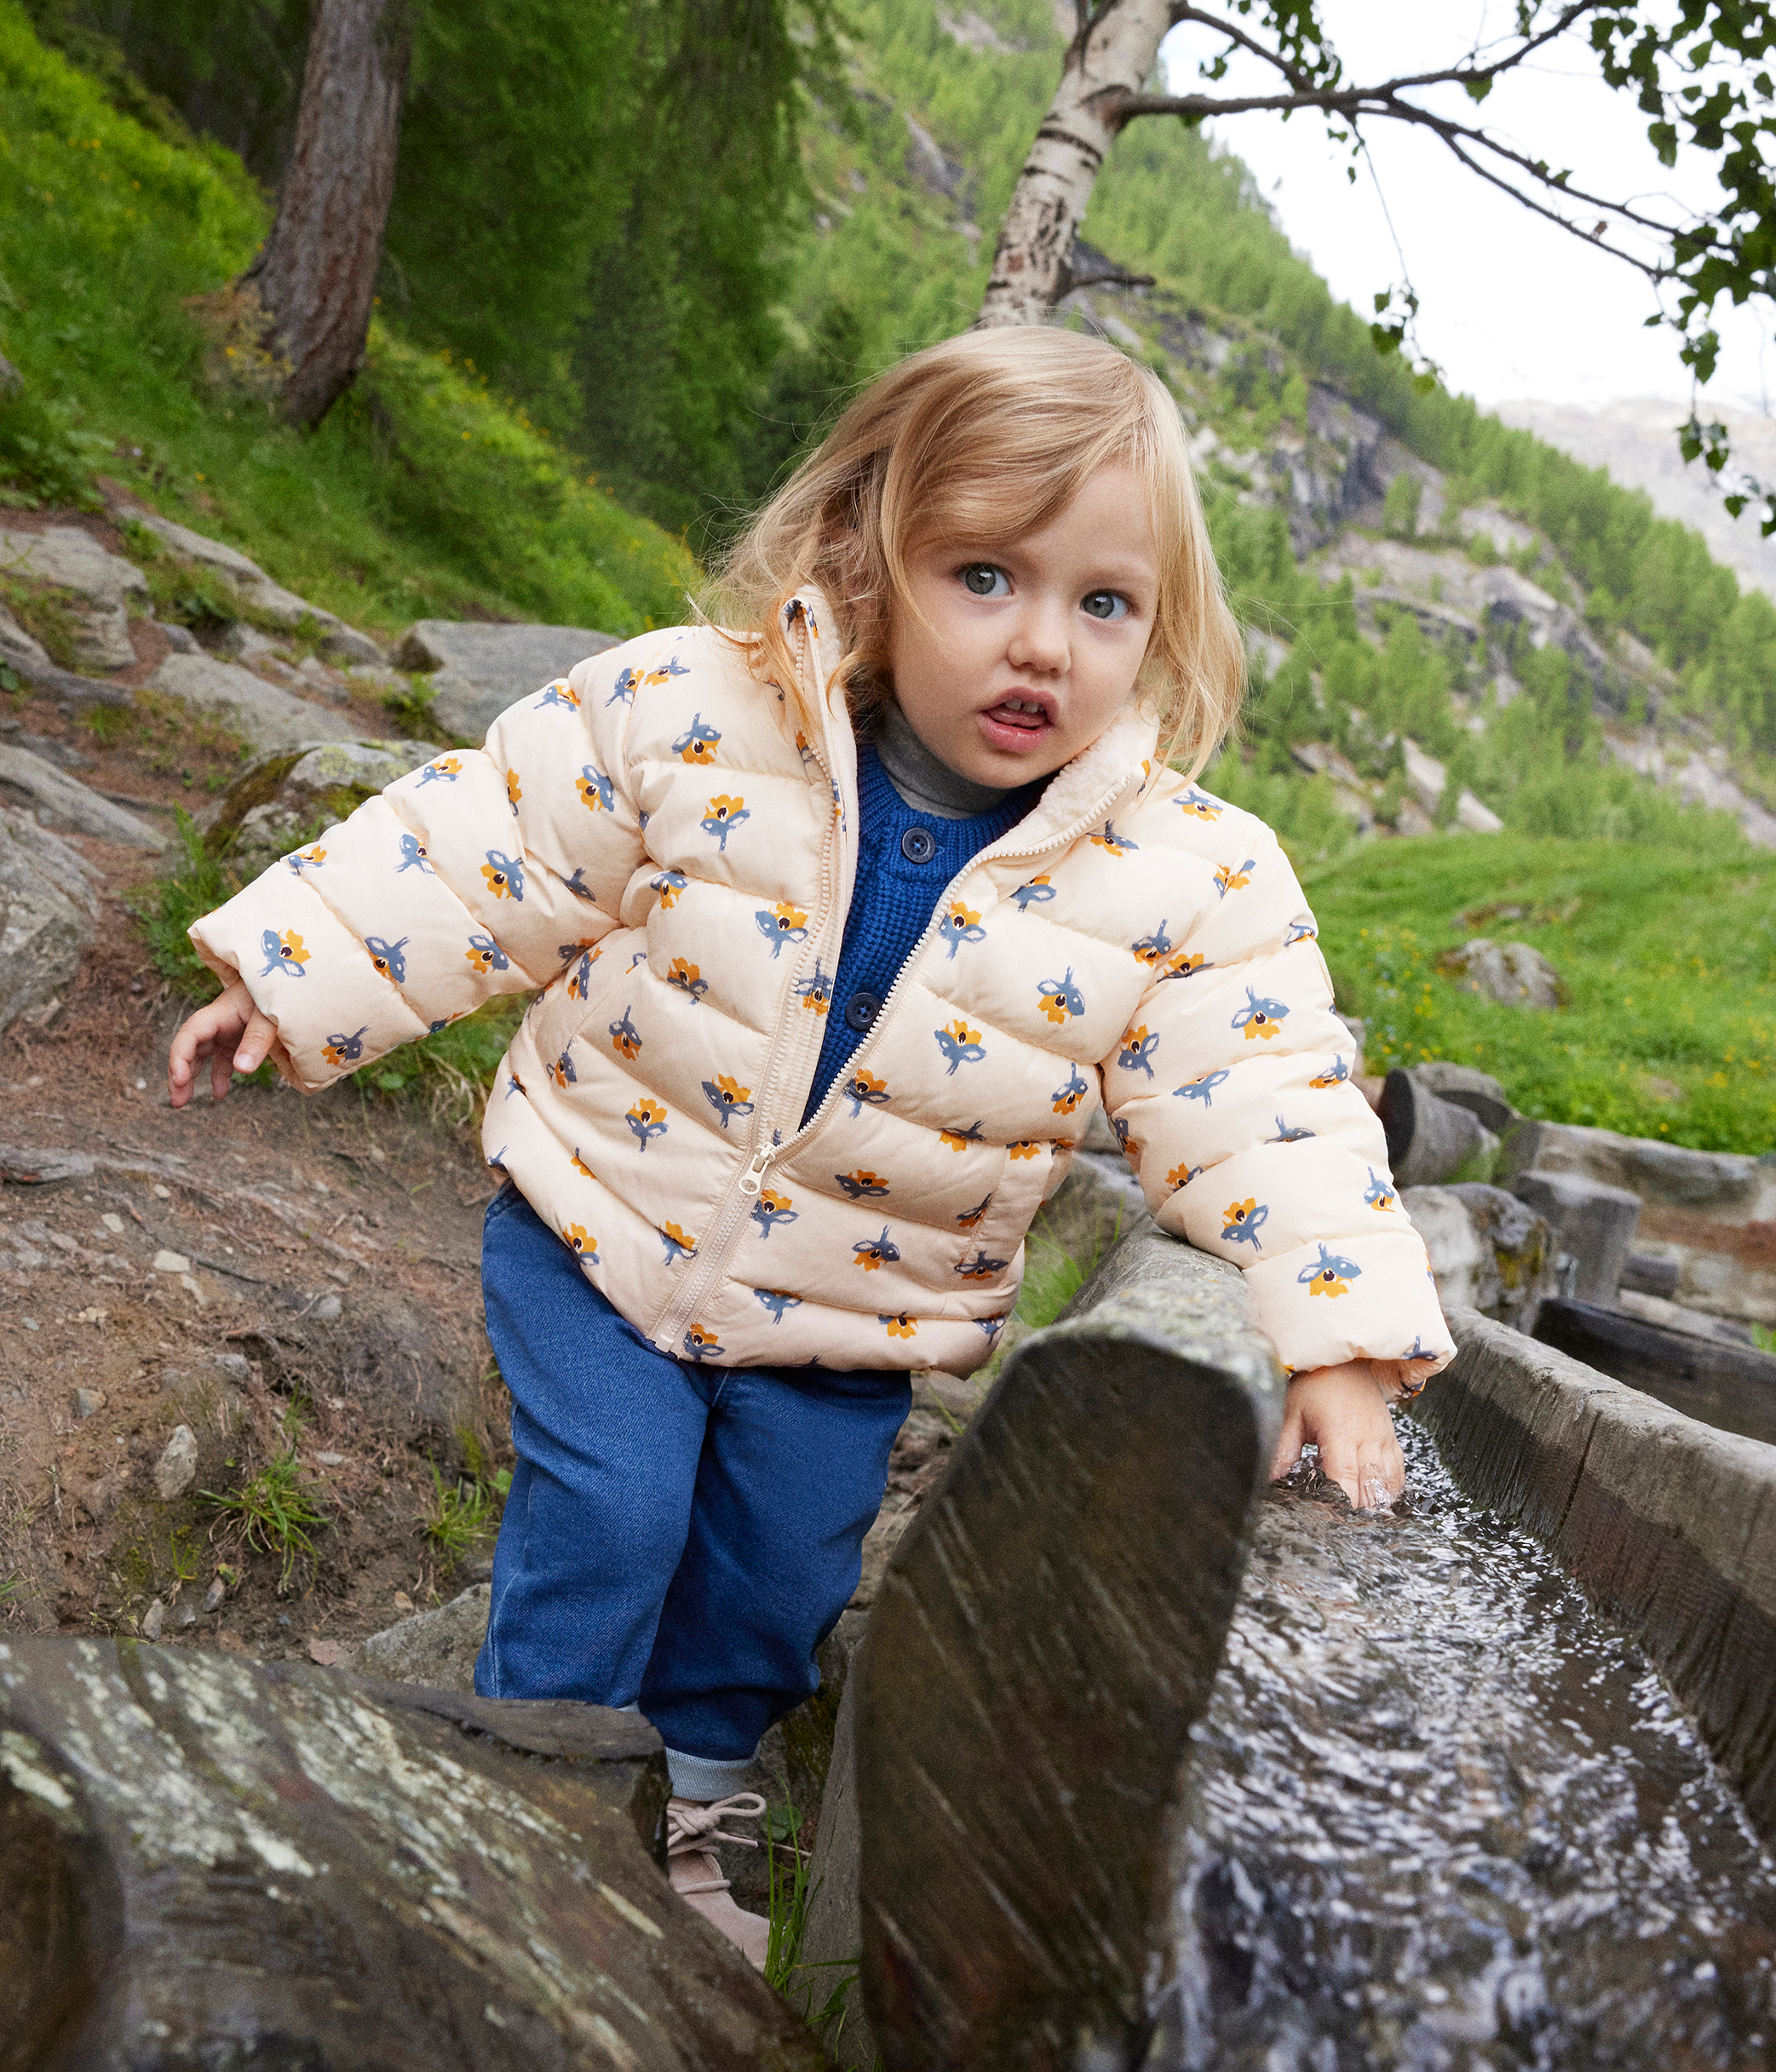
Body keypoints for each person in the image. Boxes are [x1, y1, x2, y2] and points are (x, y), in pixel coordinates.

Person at [167, 327, 1454, 1966]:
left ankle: (702, 1794)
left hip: (853, 1314)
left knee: (778, 1579)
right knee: (616, 1513)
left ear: (1161, 625)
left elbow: (1258, 1099)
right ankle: (523, 1787)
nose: (1042, 645)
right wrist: (287, 970)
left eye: (1103, 603)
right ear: (871, 550)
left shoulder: (1187, 879)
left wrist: (1334, 1340)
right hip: (605, 1219)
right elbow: (492, 839)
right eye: (984, 575)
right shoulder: (700, 710)